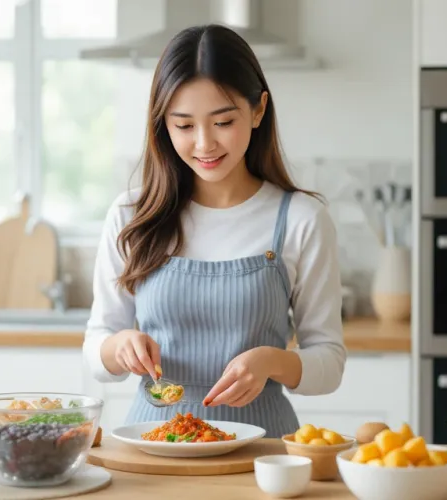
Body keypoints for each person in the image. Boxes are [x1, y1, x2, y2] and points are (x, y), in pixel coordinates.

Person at [82, 24, 347, 438]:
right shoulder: (131, 215)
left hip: (261, 453)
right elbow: (97, 347)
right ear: (162, 125)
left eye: (223, 121)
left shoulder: (300, 218)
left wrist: (270, 362)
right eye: (184, 126)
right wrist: (119, 347)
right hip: (152, 448)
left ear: (258, 110)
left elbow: (329, 363)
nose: (204, 144)